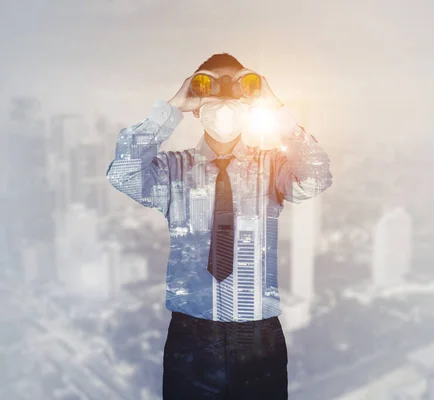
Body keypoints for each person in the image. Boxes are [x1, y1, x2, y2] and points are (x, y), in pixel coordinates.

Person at [106, 53, 333, 399]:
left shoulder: (271, 167)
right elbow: (123, 174)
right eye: (212, 89)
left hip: (259, 337)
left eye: (237, 91)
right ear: (198, 106)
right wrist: (174, 107)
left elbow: (316, 177)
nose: (226, 101)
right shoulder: (173, 170)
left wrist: (274, 106)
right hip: (191, 337)